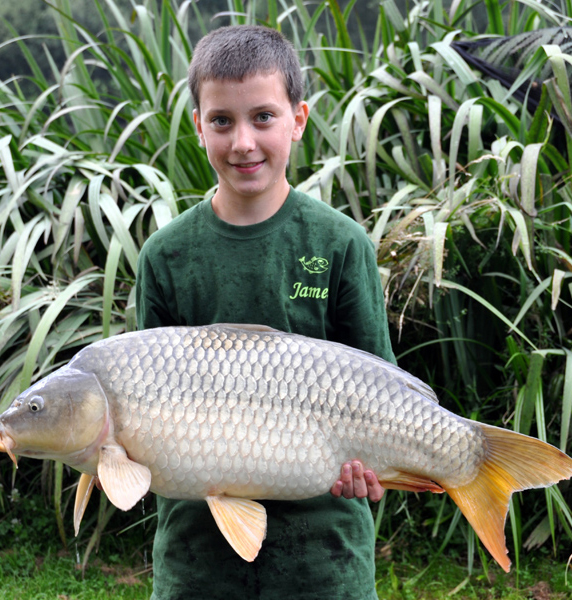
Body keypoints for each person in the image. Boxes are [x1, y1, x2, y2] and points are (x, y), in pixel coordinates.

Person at [135, 24, 395, 600]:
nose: (243, 142)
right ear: (199, 125)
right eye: (222, 121)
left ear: (298, 119)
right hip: (196, 565)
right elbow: (140, 411)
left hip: (327, 563)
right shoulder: (166, 256)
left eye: (264, 118)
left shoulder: (340, 244)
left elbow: (384, 389)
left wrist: (377, 471)